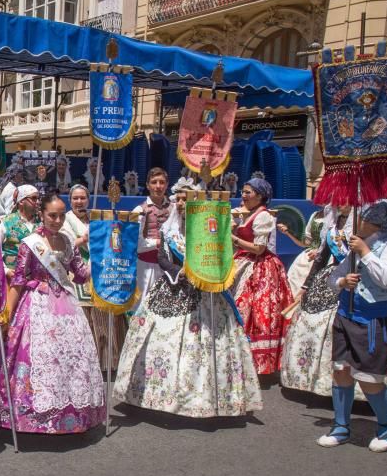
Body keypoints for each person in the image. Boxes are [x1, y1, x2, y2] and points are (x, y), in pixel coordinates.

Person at [114, 183, 262, 418]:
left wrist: (205, 270)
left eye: (186, 199)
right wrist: (178, 271)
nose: (182, 204)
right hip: (173, 288)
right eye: (179, 199)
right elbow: (162, 258)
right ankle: (156, 395)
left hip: (205, 291)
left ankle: (209, 396)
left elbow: (222, 255)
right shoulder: (168, 230)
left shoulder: (208, 230)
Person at [0, 191, 105, 434]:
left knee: (72, 360)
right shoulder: (30, 243)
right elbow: (18, 280)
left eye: (59, 216)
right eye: (52, 216)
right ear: (42, 215)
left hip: (66, 306)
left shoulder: (67, 242)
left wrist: (98, 254)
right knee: (41, 358)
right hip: (36, 306)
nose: (56, 221)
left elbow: (79, 274)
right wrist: (7, 313)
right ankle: (35, 417)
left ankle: (73, 415)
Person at [317, 201, 387, 452]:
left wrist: (366, 252)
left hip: (375, 320)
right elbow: (334, 277)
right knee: (341, 370)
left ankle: (386, 426)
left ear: (373, 220)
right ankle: (341, 426)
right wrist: (342, 282)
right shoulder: (357, 244)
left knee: (369, 378)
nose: (354, 221)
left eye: (360, 217)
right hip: (346, 315)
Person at [230, 176, 294, 375]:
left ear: (260, 196)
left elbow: (259, 248)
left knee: (257, 311)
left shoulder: (263, 216)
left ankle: (257, 361)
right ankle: (241, 357)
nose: (244, 195)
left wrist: (231, 236)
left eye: (248, 192)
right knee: (239, 307)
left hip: (261, 268)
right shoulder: (248, 213)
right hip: (244, 262)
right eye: (243, 191)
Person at [60, 183, 126, 369]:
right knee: (87, 318)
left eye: (83, 198)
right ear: (70, 200)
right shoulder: (65, 220)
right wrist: (84, 239)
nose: (79, 202)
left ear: (88, 199)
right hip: (78, 271)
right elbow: (64, 244)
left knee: (104, 314)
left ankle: (109, 361)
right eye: (75, 198)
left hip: (102, 271)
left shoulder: (95, 218)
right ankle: (86, 362)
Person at [130, 167, 173, 307]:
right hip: (147, 267)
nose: (158, 186)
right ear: (148, 185)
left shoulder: (174, 209)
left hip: (170, 265)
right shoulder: (139, 210)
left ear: (167, 184)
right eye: (154, 182)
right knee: (144, 306)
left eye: (162, 182)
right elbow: (135, 243)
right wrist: (158, 242)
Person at [0, 185, 41, 277]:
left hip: (37, 280)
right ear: (21, 201)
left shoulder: (42, 222)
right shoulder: (5, 222)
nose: (38, 202)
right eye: (34, 198)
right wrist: (6, 271)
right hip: (12, 279)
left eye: (38, 198)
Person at [279, 207, 325, 293]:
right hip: (309, 255)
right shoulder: (315, 214)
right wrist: (288, 232)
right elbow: (307, 242)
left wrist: (320, 251)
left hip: (326, 257)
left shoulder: (337, 215)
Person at [0, 153, 25, 218]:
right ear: (15, 174)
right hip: (6, 224)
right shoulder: (11, 189)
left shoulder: (0, 186)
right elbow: (10, 212)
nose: (22, 177)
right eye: (21, 174)